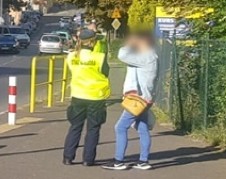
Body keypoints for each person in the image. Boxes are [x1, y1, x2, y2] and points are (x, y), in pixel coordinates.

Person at [103, 32, 158, 170]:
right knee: (142, 127)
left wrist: (130, 43)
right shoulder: (150, 56)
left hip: (137, 99)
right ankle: (143, 161)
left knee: (120, 127)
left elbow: (122, 55)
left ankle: (118, 161)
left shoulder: (146, 57)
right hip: (144, 98)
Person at [63, 28, 111, 166]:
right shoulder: (99, 57)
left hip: (78, 95)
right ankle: (88, 159)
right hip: (96, 96)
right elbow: (105, 73)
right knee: (93, 128)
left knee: (75, 126)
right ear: (93, 42)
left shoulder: (72, 56)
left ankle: (68, 157)